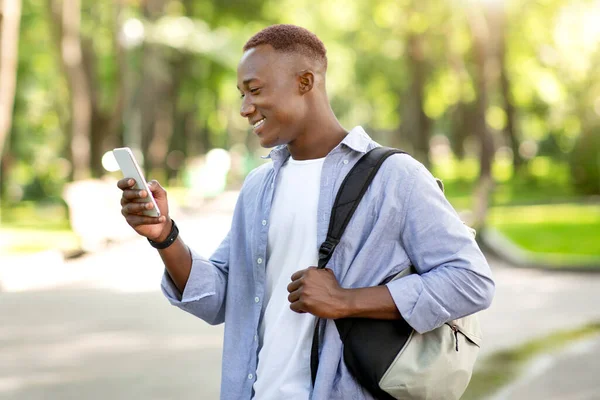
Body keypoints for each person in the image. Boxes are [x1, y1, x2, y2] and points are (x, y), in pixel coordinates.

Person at [117, 24, 495, 400]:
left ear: (305, 82)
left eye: (255, 90)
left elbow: (471, 280)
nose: (245, 108)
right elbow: (220, 297)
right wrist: (165, 235)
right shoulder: (258, 187)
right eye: (242, 94)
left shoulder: (396, 177)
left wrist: (347, 300)